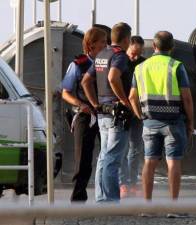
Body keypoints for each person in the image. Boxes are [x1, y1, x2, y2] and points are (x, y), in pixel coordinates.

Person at [129, 31, 194, 217]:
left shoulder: (141, 68)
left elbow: (132, 96)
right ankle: (173, 208)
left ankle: (146, 208)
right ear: (172, 47)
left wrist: (140, 115)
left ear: (154, 47)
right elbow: (187, 98)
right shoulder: (176, 66)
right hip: (173, 123)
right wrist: (191, 122)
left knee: (149, 162)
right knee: (173, 162)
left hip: (150, 122)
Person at [81, 22, 133, 202]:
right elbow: (113, 77)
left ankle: (102, 198)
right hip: (116, 114)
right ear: (127, 39)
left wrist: (95, 103)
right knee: (113, 158)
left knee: (104, 156)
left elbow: (86, 81)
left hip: (103, 112)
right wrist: (124, 101)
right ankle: (111, 200)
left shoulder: (101, 55)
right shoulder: (120, 56)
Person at [61, 27, 107, 202]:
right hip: (84, 116)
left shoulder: (107, 62)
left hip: (104, 115)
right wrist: (81, 105)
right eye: (102, 42)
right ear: (91, 45)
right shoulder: (77, 65)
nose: (106, 45)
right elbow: (65, 92)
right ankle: (78, 197)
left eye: (106, 41)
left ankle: (105, 195)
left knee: (108, 155)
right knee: (83, 160)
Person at [119, 36, 146, 198]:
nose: (135, 57)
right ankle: (123, 183)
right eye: (133, 53)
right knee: (122, 148)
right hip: (122, 110)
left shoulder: (144, 63)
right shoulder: (120, 61)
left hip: (138, 111)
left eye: (138, 54)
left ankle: (133, 182)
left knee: (136, 148)